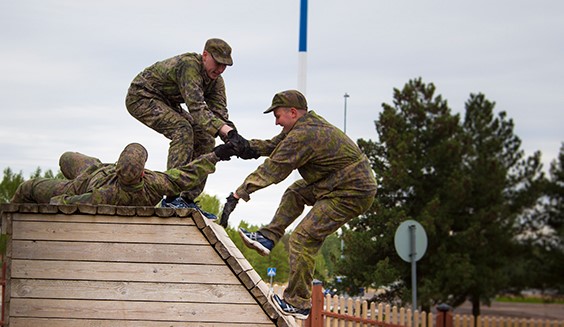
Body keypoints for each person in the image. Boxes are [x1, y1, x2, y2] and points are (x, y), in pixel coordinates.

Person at [220, 90, 378, 319]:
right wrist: (244, 147)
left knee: (303, 239)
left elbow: (274, 169)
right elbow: (274, 146)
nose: (276, 122)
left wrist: (238, 193)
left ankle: (298, 303)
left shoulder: (304, 135)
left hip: (352, 192)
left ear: (293, 112)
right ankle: (268, 237)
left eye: (278, 116)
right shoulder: (301, 127)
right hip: (334, 183)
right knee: (295, 192)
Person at [125, 38, 249, 198]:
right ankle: (172, 195)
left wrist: (236, 141)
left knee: (205, 137)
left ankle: (187, 198)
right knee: (182, 130)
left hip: (167, 102)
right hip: (142, 96)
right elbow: (197, 108)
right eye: (217, 63)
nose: (220, 69)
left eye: (224, 65)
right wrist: (229, 134)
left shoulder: (216, 82)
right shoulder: (189, 65)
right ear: (205, 55)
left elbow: (219, 116)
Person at [11, 142, 237, 207]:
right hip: (100, 168)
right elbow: (187, 175)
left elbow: (66, 201)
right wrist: (216, 155)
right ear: (142, 173)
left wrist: (45, 207)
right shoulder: (155, 183)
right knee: (67, 157)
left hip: (85, 181)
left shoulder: (105, 195)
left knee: (29, 187)